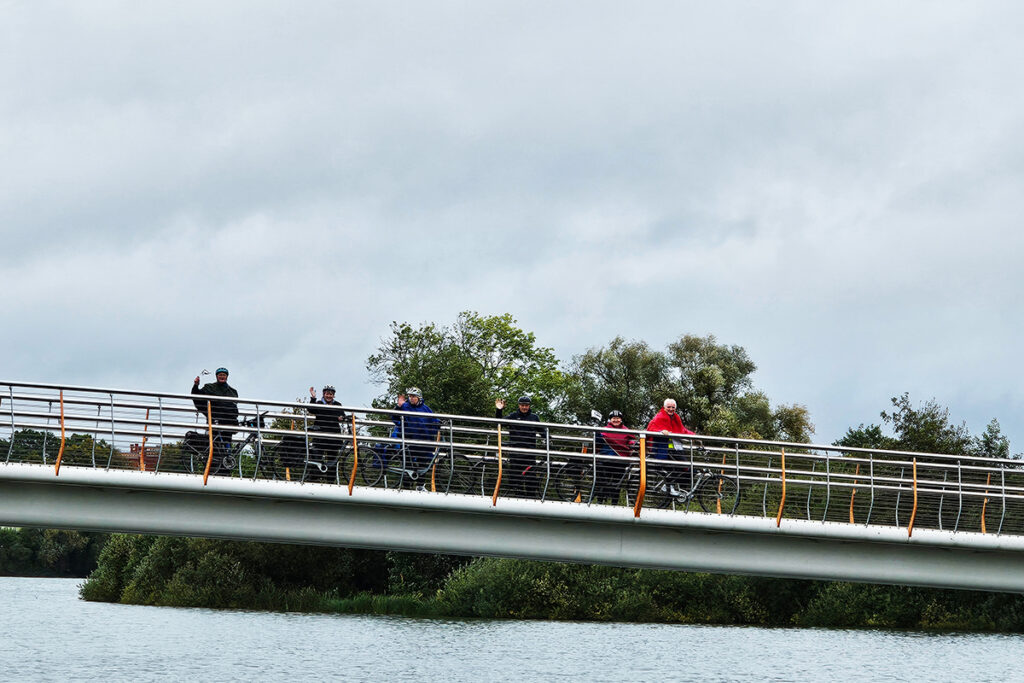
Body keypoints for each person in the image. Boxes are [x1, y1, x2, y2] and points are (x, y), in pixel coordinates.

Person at [191, 367, 239, 468]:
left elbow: (234, 408)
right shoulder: (210, 387)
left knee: (227, 449)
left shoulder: (233, 392)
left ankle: (226, 467)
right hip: (215, 421)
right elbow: (197, 397)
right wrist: (196, 385)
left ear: (227, 377)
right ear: (217, 376)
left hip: (228, 423)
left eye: (224, 375)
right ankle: (212, 467)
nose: (222, 377)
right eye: (220, 375)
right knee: (214, 447)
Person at [495, 395, 542, 498]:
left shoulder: (534, 417)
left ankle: (531, 500)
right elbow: (499, 423)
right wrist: (499, 410)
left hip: (530, 454)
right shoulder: (513, 416)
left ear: (529, 406)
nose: (524, 407)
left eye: (526, 405)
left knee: (531, 481)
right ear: (519, 405)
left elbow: (542, 431)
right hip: (515, 453)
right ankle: (518, 499)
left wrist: (549, 439)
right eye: (522, 405)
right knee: (516, 481)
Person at [391, 387, 440, 471]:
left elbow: (433, 420)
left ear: (419, 397)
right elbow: (395, 418)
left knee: (424, 465)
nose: (411, 398)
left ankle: (420, 479)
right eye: (410, 396)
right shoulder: (405, 406)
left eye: (413, 396)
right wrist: (398, 407)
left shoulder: (426, 409)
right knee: (408, 465)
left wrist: (440, 422)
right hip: (410, 441)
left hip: (424, 442)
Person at [596, 410, 636, 504]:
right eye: (614, 418)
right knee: (602, 483)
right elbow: (598, 441)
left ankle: (614, 504)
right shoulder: (604, 430)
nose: (616, 420)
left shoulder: (626, 431)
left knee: (617, 484)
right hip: (605, 459)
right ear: (610, 420)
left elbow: (631, 441)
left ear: (621, 419)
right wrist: (597, 432)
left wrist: (634, 444)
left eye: (618, 418)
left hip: (620, 461)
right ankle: (599, 502)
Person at [307, 385, 347, 462]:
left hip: (333, 436)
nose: (329, 396)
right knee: (316, 460)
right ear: (324, 394)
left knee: (332, 461)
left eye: (331, 394)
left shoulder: (338, 405)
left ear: (333, 395)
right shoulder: (319, 403)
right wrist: (313, 398)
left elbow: (342, 415)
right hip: (320, 436)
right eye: (327, 394)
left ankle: (331, 470)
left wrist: (341, 417)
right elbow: (311, 409)